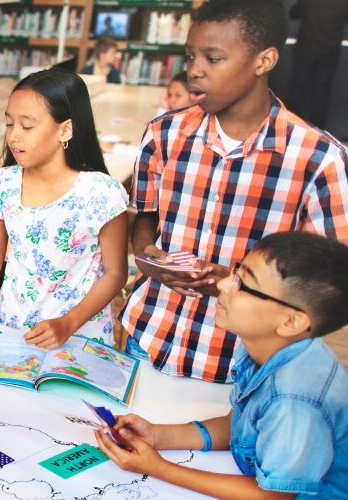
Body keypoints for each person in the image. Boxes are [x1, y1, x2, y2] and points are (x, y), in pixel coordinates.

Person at [119, 0, 348, 383]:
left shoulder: (320, 159)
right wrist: (146, 256)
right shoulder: (163, 134)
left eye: (214, 58)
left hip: (243, 365)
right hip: (148, 336)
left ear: (264, 61)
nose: (194, 70)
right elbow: (146, 215)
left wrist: (236, 284)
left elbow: (329, 282)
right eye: (190, 55)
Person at [99, 232, 348, 499]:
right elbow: (239, 425)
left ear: (291, 322)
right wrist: (159, 437)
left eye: (243, 284)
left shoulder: (294, 398)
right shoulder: (266, 345)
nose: (225, 284)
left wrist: (158, 468)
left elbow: (274, 496)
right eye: (236, 271)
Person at [0, 70, 129, 348]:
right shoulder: (2, 184)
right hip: (13, 326)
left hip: (80, 332)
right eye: (9, 124)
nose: (13, 137)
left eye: (27, 127)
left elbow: (115, 273)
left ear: (65, 129)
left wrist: (69, 323)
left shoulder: (101, 193)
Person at [286, 0, 348, 129]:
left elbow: (293, 14)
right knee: (321, 93)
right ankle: (318, 132)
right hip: (329, 52)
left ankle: (288, 127)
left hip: (305, 49)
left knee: (297, 89)